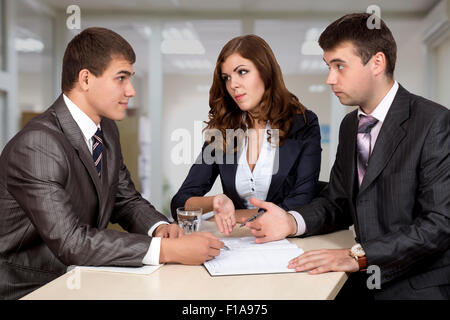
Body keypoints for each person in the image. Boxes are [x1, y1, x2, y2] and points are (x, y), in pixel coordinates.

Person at [0, 27, 223, 300]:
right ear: (85, 79)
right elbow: (71, 241)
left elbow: (124, 199)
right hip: (28, 288)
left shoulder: (105, 129)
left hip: (78, 276)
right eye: (121, 78)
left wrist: (160, 228)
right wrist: (167, 251)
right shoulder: (38, 144)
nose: (131, 91)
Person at [244, 13, 449, 299]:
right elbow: (339, 201)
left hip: (417, 284)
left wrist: (358, 256)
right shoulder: (350, 125)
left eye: (340, 66)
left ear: (377, 63)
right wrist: (291, 222)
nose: (330, 79)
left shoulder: (434, 122)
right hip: (362, 279)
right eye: (328, 66)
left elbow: (439, 224)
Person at [170, 35, 322, 235]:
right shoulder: (224, 129)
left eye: (242, 72)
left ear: (265, 71)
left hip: (286, 241)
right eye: (227, 78)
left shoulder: (303, 123)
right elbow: (180, 202)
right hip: (237, 241)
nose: (233, 85)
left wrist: (240, 215)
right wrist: (215, 202)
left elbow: (301, 201)